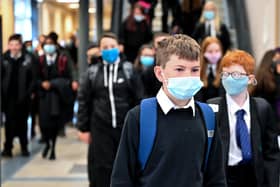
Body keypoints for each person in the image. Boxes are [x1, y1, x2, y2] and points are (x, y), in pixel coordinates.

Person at [111, 34, 226, 187]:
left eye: (194, 70)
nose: (188, 76)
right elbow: (121, 179)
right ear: (160, 73)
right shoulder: (139, 117)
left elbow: (216, 178)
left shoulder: (208, 117)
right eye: (179, 69)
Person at [77, 32, 144, 187]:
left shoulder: (129, 70)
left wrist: (140, 125)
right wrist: (83, 128)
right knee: (101, 168)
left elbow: (139, 99)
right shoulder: (92, 72)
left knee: (126, 164)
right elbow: (83, 101)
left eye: (112, 46)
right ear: (100, 51)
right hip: (100, 128)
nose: (109, 50)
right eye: (105, 47)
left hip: (125, 127)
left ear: (119, 48)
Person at [208, 50, 280, 187]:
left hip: (253, 175)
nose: (229, 79)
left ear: (250, 79)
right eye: (225, 74)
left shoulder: (262, 108)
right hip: (225, 176)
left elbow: (271, 153)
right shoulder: (212, 108)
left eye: (235, 74)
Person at [37, 34, 75, 160]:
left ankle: (53, 147)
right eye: (46, 44)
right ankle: (47, 143)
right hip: (43, 96)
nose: (49, 46)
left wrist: (53, 83)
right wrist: (42, 83)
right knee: (44, 123)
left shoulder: (62, 59)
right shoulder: (40, 59)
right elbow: (34, 77)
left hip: (57, 95)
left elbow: (69, 75)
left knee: (54, 123)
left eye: (51, 44)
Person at [1, 34, 37, 157]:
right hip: (8, 98)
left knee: (23, 123)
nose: (14, 47)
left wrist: (30, 92)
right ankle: (8, 147)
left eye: (17, 45)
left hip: (23, 98)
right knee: (9, 123)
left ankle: (24, 147)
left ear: (20, 46)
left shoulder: (28, 59)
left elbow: (33, 78)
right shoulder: (4, 59)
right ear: (8, 46)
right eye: (12, 45)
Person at [250, 47, 280, 123]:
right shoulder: (265, 80)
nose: (278, 62)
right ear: (269, 61)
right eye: (276, 59)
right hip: (270, 121)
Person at [196, 36, 224, 102]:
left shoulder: (225, 70)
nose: (214, 55)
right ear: (203, 53)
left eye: (217, 51)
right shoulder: (198, 70)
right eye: (210, 51)